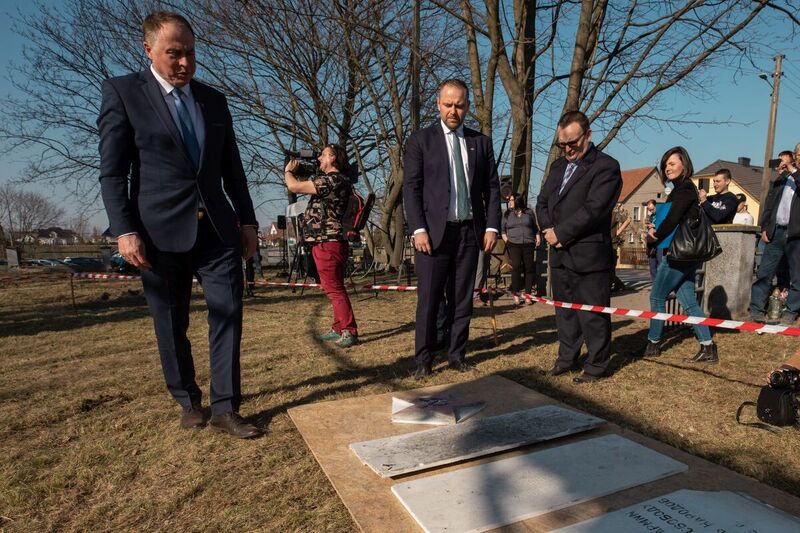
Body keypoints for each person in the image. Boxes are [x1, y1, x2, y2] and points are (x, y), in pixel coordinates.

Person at [98, 11, 260, 438]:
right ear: (148, 49)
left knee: (228, 315)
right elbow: (112, 173)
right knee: (171, 321)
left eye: (190, 52)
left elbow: (233, 172)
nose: (185, 63)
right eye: (175, 54)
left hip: (218, 230)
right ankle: (188, 399)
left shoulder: (214, 100)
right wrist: (124, 230)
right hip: (158, 233)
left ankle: (226, 407)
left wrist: (248, 221)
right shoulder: (123, 93)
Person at [403, 78, 501, 380]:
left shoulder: (480, 142)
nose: (453, 111)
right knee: (429, 300)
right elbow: (412, 188)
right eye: (448, 104)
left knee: (462, 300)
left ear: (467, 106)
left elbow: (492, 188)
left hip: (470, 234)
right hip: (432, 236)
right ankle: (424, 358)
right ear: (438, 104)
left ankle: (457, 354)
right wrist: (418, 228)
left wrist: (492, 227)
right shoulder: (421, 141)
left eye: (459, 105)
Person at [535, 110, 622, 384]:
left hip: (589, 254)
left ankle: (596, 365)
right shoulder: (557, 167)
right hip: (559, 254)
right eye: (562, 144)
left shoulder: (606, 166)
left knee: (592, 313)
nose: (568, 149)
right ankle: (566, 358)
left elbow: (594, 209)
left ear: (588, 135)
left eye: (573, 142)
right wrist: (549, 231)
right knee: (565, 312)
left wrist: (561, 232)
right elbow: (542, 202)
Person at [644, 147, 718, 363]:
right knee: (689, 302)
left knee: (657, 296)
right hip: (687, 254)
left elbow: (673, 219)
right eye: (666, 164)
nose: (668, 168)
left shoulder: (684, 189)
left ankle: (653, 344)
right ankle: (708, 348)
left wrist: (654, 236)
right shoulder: (681, 189)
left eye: (672, 164)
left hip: (678, 253)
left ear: (684, 165)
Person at [285, 145, 359, 347]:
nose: (319, 157)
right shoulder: (337, 179)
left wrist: (289, 171)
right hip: (326, 242)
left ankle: (349, 331)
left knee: (334, 288)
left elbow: (294, 187)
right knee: (332, 287)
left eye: (323, 155)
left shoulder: (333, 180)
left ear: (334, 158)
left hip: (329, 242)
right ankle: (338, 328)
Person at [748, 148, 800, 325]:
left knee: (796, 276)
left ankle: (791, 311)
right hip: (776, 231)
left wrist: (794, 171)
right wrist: (765, 227)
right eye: (798, 153)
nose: (799, 156)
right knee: (765, 272)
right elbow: (770, 203)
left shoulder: (795, 176)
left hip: (796, 234)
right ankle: (756, 309)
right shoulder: (784, 178)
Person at [501, 193, 540, 305]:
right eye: (509, 200)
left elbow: (534, 227)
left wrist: (537, 237)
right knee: (516, 267)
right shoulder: (507, 214)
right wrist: (506, 240)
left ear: (518, 201)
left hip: (528, 243)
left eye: (512, 200)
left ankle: (528, 295)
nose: (510, 202)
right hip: (513, 244)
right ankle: (516, 294)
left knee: (529, 268)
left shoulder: (529, 212)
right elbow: (503, 230)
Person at [610, 203, 632, 292]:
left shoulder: (614, 214)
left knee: (610, 266)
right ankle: (618, 284)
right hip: (602, 243)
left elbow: (627, 220)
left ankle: (618, 284)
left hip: (612, 243)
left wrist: (618, 231)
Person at [644, 199, 663, 280]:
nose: (651, 211)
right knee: (652, 264)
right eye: (649, 210)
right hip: (652, 243)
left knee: (661, 263)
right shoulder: (652, 216)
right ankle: (655, 283)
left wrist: (654, 226)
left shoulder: (661, 214)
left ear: (656, 206)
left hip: (660, 242)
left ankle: (661, 283)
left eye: (652, 209)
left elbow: (663, 226)